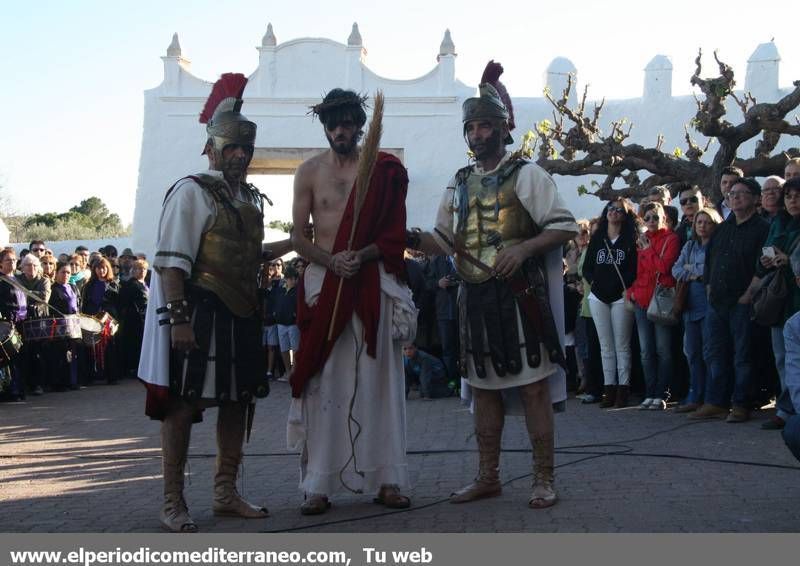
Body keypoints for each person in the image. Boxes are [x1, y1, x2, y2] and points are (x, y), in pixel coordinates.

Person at [409, 61, 577, 508]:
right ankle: (488, 476)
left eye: (487, 125)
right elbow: (443, 239)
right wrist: (409, 238)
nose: (479, 133)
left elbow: (564, 227)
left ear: (503, 129)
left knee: (534, 384)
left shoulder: (527, 174)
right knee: (483, 387)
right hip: (474, 298)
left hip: (520, 297)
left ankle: (543, 479)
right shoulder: (459, 183)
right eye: (473, 126)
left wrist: (523, 249)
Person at [138, 73, 292, 532]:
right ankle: (173, 501)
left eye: (245, 148)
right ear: (212, 147)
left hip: (243, 313)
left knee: (237, 401)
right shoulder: (191, 191)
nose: (240, 155)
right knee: (183, 404)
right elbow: (171, 264)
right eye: (231, 147)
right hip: (200, 311)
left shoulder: (249, 198)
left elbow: (249, 255)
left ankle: (225, 493)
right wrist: (179, 322)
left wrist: (296, 244)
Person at [288, 87, 413, 515]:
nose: (342, 130)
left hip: (371, 278)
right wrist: (331, 259)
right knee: (326, 384)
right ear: (324, 126)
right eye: (334, 123)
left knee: (380, 381)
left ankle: (387, 478)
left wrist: (362, 255)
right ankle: (318, 484)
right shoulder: (308, 172)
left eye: (349, 122)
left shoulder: (383, 169)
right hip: (327, 281)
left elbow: (394, 234)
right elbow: (298, 237)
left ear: (361, 125)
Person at [693, 177, 770, 421]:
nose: (734, 197)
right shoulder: (723, 228)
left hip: (742, 302)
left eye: (741, 193)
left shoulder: (763, 229)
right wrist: (708, 287)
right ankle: (716, 401)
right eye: (731, 193)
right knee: (715, 353)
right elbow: (710, 260)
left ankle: (741, 403)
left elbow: (765, 266)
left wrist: (749, 294)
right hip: (716, 301)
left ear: (756, 198)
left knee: (742, 356)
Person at [582, 198, 639, 408]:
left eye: (619, 210)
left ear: (625, 215)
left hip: (620, 297)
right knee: (605, 346)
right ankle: (609, 388)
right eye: (611, 209)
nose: (614, 213)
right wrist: (594, 282)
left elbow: (634, 269)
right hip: (598, 296)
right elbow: (586, 267)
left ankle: (623, 389)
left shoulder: (630, 240)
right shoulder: (598, 239)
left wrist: (625, 286)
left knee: (622, 345)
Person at [754, 177, 800, 429]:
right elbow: (762, 256)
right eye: (789, 196)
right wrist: (766, 262)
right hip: (780, 301)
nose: (793, 201)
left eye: (797, 196)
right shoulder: (778, 223)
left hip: (797, 300)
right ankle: (786, 408)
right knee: (783, 359)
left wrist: (789, 261)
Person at [628, 202, 680, 410]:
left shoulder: (671, 239)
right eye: (647, 218)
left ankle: (661, 393)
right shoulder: (642, 240)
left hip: (660, 301)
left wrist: (649, 251)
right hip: (641, 300)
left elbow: (664, 267)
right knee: (645, 351)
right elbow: (640, 272)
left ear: (663, 219)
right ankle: (649, 393)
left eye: (655, 217)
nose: (651, 221)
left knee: (663, 350)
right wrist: (632, 292)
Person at [672, 208, 722, 412]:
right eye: (699, 222)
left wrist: (690, 270)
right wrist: (695, 273)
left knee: (710, 353)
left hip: (710, 305)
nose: (702, 226)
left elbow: (711, 271)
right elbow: (676, 269)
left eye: (707, 222)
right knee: (692, 353)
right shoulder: (690, 246)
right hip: (689, 307)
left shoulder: (717, 246)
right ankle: (695, 395)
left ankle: (712, 398)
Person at [80, 257, 120, 385]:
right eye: (98, 268)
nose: (101, 270)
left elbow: (119, 304)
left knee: (110, 348)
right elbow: (86, 304)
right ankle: (91, 376)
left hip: (109, 321)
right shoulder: (89, 285)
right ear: (94, 269)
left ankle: (112, 376)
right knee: (92, 348)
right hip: (93, 320)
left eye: (104, 267)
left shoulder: (113, 284)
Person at [425, 254, 460, 382]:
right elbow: (427, 284)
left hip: (461, 309)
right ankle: (452, 382)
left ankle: (468, 382)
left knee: (464, 347)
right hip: (444, 312)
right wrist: (438, 283)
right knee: (447, 349)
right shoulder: (437, 261)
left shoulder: (462, 257)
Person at [46, 262, 81, 391]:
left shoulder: (73, 287)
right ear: (56, 273)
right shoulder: (53, 289)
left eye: (68, 272)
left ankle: (72, 381)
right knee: (59, 354)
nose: (66, 275)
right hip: (59, 326)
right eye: (63, 272)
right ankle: (59, 383)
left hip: (73, 325)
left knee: (73, 353)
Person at [118, 259, 149, 377]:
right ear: (133, 270)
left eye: (143, 269)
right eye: (138, 269)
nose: (141, 271)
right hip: (133, 320)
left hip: (144, 319)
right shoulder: (130, 285)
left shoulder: (145, 283)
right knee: (134, 344)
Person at [274, 265, 299, 382]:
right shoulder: (280, 290)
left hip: (293, 324)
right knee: (283, 348)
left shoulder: (299, 291)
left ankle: (294, 372)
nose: (291, 280)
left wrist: (295, 314)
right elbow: (276, 303)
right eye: (289, 278)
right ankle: (288, 371)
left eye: (293, 278)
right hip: (281, 323)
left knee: (295, 348)